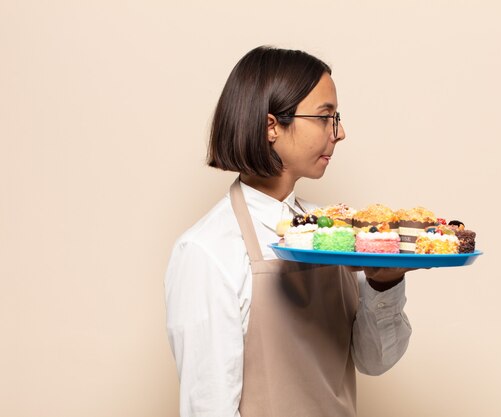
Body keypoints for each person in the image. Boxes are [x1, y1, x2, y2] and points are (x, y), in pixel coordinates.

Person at [165, 45, 413, 417]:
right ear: (271, 126)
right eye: (325, 117)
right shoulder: (208, 251)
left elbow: (374, 361)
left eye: (337, 117)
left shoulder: (337, 236)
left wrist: (384, 283)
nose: (340, 132)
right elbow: (208, 408)